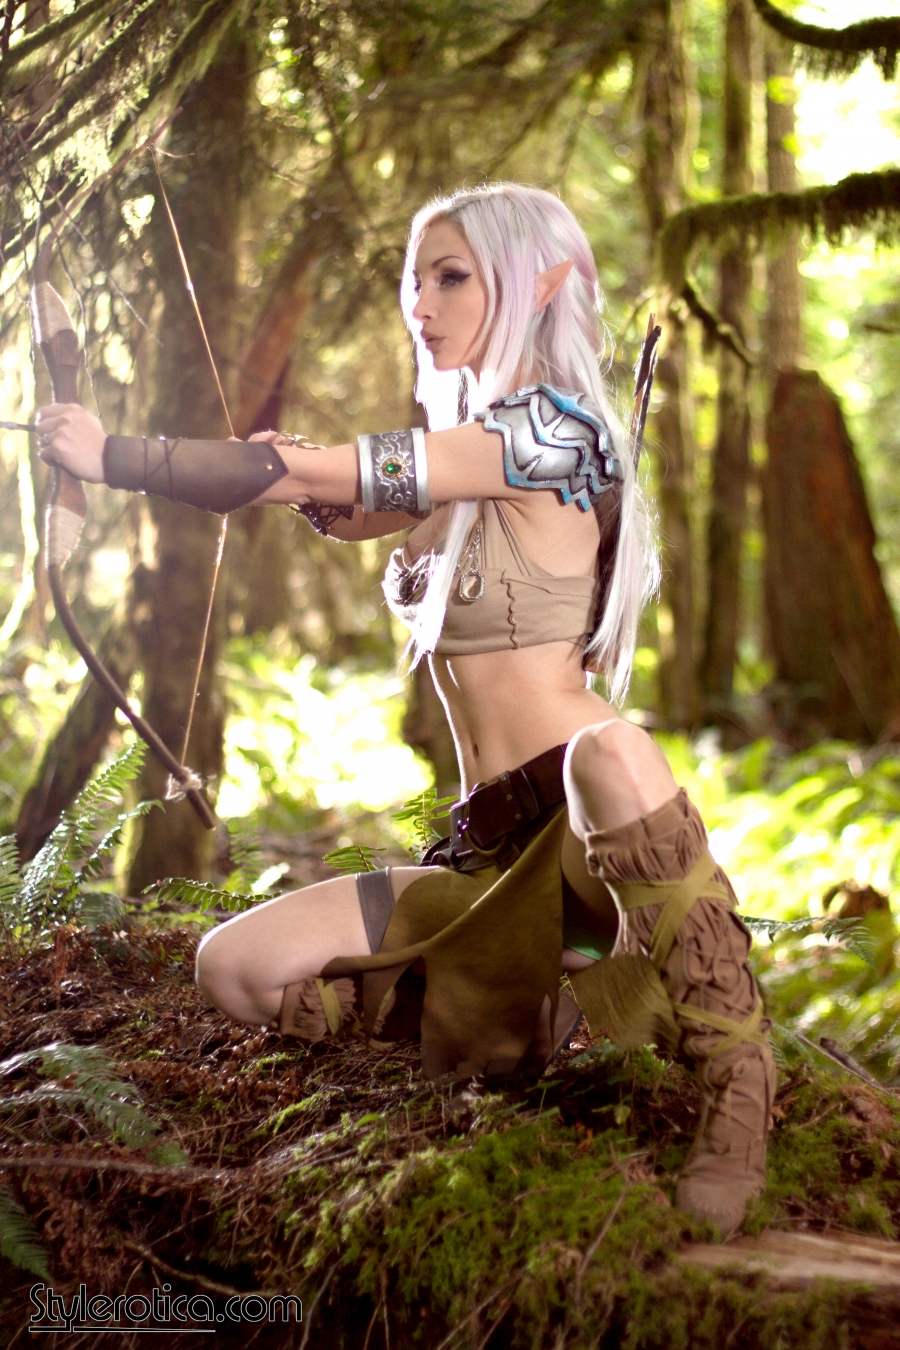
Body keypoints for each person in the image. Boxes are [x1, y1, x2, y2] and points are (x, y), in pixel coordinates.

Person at [37, 182, 775, 1235]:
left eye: (452, 277)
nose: (420, 305)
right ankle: (516, 1025)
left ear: (542, 282)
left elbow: (308, 471)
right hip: (481, 858)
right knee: (233, 968)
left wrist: (112, 457)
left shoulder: (557, 433)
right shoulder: (463, 450)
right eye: (414, 280)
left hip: (581, 840)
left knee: (611, 754)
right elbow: (323, 486)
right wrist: (295, 478)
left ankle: (738, 1082)